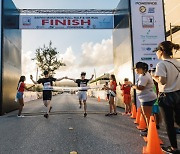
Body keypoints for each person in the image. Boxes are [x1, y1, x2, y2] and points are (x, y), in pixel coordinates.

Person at [152, 41, 180, 154]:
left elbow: (163, 81)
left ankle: (174, 148)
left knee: (169, 123)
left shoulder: (161, 64)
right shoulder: (177, 62)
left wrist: (154, 77)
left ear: (161, 51)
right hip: (178, 94)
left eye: (157, 51)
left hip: (166, 96)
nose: (156, 54)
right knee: (178, 120)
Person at [132, 62, 157, 136]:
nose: (135, 70)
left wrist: (132, 86)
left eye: (136, 69)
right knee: (147, 115)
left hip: (147, 98)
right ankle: (149, 129)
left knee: (147, 116)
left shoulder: (144, 76)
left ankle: (150, 132)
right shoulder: (144, 74)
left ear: (140, 68)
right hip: (147, 97)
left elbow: (141, 87)